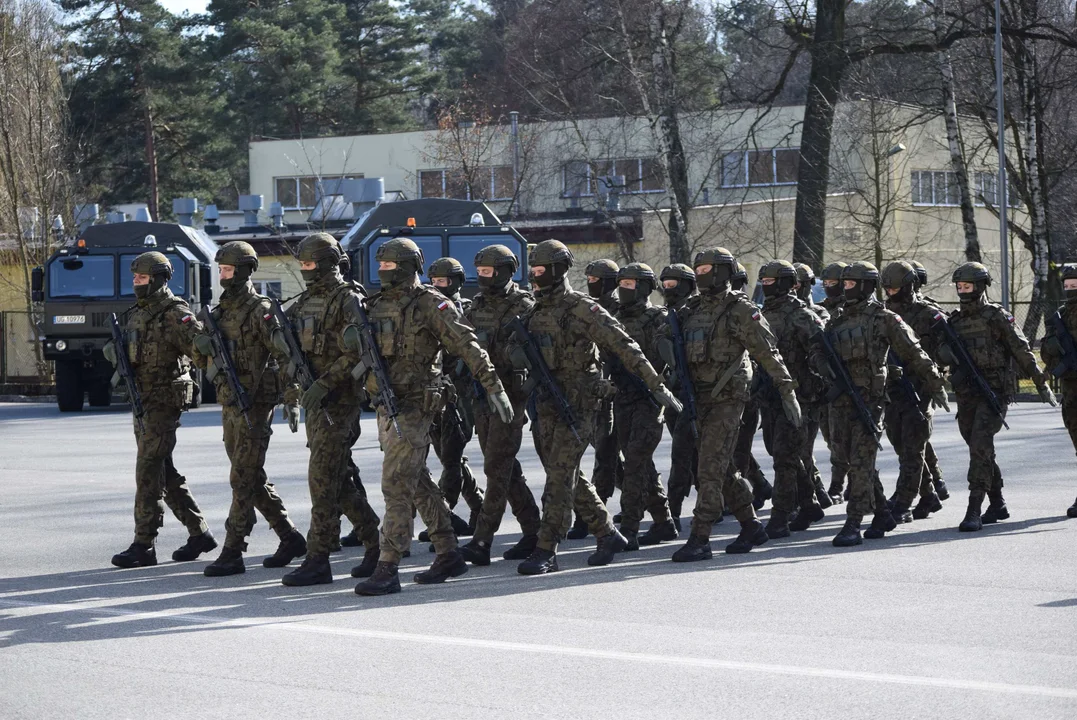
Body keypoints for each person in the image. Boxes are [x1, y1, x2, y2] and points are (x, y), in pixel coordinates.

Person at [354, 238, 515, 595]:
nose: (382, 271)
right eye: (380, 265)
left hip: (415, 405)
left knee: (396, 482)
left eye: (390, 265)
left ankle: (388, 565)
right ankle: (448, 551)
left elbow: (467, 345)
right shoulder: (375, 305)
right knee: (417, 480)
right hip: (385, 403)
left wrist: (494, 387)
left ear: (408, 266)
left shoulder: (430, 304)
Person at [512, 240, 681, 574]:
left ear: (559, 269)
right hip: (546, 403)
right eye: (532, 269)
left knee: (560, 477)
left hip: (580, 404)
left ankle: (547, 549)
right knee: (564, 473)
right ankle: (607, 533)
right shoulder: (533, 312)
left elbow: (625, 346)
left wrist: (656, 386)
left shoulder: (582, 308)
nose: (534, 274)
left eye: (541, 269)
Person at [664, 247, 801, 562]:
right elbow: (665, 342)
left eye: (707, 269)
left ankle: (700, 537)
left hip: (728, 398)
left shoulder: (740, 309)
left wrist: (786, 390)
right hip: (696, 397)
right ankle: (751, 526)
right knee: (721, 466)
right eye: (697, 270)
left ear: (724, 272)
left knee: (709, 468)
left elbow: (769, 353)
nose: (701, 275)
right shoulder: (690, 309)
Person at [193, 241, 307, 576]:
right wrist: (201, 348)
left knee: (241, 476)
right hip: (230, 400)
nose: (222, 275)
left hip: (255, 401)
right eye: (221, 270)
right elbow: (204, 360)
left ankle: (233, 549)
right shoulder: (219, 312)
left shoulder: (260, 310)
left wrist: (292, 397)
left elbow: (286, 355)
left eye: (227, 270)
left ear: (243, 271)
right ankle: (289, 536)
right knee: (250, 473)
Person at [279, 233, 380, 587]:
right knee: (336, 483)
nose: (305, 271)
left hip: (340, 402)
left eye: (309, 264)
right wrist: (293, 390)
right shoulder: (306, 301)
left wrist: (325, 382)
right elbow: (291, 352)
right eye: (301, 264)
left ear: (325, 263)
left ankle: (318, 558)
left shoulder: (348, 298)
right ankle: (374, 541)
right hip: (315, 404)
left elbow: (358, 350)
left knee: (322, 481)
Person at [823, 262, 948, 547]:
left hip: (872, 400)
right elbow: (819, 351)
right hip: (842, 400)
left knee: (862, 460)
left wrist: (935, 384)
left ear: (866, 286)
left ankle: (853, 522)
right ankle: (881, 512)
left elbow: (915, 352)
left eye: (852, 283)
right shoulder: (836, 321)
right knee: (846, 457)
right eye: (845, 283)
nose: (846, 288)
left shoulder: (885, 318)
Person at [105, 251, 215, 568]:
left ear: (156, 278)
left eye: (141, 278)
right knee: (163, 472)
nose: (136, 283)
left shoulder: (174, 312)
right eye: (135, 278)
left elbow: (202, 353)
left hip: (164, 401)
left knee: (148, 471)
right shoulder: (138, 313)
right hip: (142, 401)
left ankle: (144, 544)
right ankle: (199, 533)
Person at [940, 262, 1056, 532]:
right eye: (959, 286)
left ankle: (973, 508)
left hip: (994, 392)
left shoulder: (996, 316)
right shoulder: (953, 322)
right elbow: (939, 355)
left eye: (967, 286)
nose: (962, 290)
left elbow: (1021, 349)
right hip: (966, 393)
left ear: (980, 286)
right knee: (980, 449)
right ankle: (998, 503)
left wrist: (1040, 382)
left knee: (980, 444)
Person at [458, 245, 543, 565]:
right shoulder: (475, 306)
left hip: (511, 399)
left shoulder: (524, 306)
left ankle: (482, 541)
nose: (482, 278)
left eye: (488, 272)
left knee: (496, 467)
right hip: (481, 398)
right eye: (479, 272)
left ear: (506, 271)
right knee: (506, 468)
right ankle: (533, 530)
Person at [757, 261, 827, 538]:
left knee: (785, 457)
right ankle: (809, 504)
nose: (766, 284)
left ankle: (780, 516)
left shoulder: (802, 315)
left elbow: (822, 354)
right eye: (763, 280)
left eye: (772, 280)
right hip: (770, 395)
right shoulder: (761, 314)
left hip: (799, 396)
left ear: (787, 282)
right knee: (781, 452)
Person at [611, 263, 678, 548]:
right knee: (639, 462)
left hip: (649, 401)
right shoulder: (612, 318)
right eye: (621, 284)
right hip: (622, 400)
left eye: (630, 284)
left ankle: (629, 527)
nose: (623, 290)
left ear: (644, 288)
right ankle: (663, 522)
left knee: (636, 462)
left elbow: (671, 363)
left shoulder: (658, 318)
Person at [879, 261, 945, 523]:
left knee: (912, 447)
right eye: (888, 288)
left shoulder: (928, 313)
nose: (891, 293)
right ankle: (928, 494)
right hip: (892, 387)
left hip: (919, 387)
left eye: (895, 288)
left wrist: (937, 378)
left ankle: (905, 500)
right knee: (898, 442)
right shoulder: (883, 313)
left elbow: (949, 348)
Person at [425, 257, 484, 539]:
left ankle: (444, 515)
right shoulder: (430, 310)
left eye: (443, 282)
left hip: (461, 396)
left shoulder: (466, 311)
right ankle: (479, 505)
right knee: (451, 457)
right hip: (437, 393)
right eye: (434, 282)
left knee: (451, 458)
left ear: (457, 282)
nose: (437, 287)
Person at [565, 258, 624, 538]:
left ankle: (591, 517)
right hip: (589, 389)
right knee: (604, 456)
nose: (592, 284)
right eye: (588, 279)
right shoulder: (585, 308)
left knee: (606, 453)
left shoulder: (618, 310)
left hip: (613, 391)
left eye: (596, 279)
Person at [659, 263, 699, 530]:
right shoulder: (667, 315)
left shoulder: (697, 312)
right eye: (665, 284)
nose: (667, 289)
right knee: (691, 452)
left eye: (673, 284)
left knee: (684, 453)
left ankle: (672, 511)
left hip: (700, 394)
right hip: (675, 394)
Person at [910, 259, 948, 501]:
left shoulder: (929, 311)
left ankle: (926, 490)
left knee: (915, 437)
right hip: (906, 378)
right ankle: (935, 482)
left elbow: (946, 346)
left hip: (924, 378)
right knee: (916, 437)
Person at [1041, 263, 1077, 518]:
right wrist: (1051, 349)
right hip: (1071, 388)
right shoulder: (1060, 317)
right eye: (1067, 287)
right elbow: (1046, 353)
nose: (1070, 291)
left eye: (1075, 286)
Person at [818, 261, 848, 502]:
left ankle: (842, 484)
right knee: (831, 437)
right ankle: (839, 482)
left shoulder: (853, 310)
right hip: (827, 385)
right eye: (825, 284)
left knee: (847, 439)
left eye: (833, 284)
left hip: (852, 384)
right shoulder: (820, 310)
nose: (829, 288)